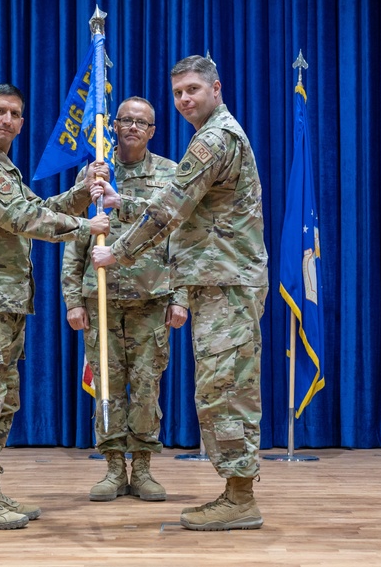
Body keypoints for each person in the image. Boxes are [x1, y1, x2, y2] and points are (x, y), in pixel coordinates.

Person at [90, 56, 269, 531]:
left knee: (225, 393)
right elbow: (186, 202)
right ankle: (235, 492)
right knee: (219, 390)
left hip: (225, 283)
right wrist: (123, 202)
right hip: (219, 281)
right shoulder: (213, 135)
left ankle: (240, 498)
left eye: (193, 89)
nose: (186, 99)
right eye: (178, 93)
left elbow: (172, 208)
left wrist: (117, 253)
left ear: (217, 87)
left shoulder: (213, 139)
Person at [0, 82, 110, 530]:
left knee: (2, 403)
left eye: (15, 114)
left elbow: (36, 206)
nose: (8, 121)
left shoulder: (2, 167)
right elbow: (24, 219)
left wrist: (80, 190)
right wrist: (85, 225)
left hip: (4, 304)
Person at [62, 96, 189, 503]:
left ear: (152, 131)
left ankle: (145, 468)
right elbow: (76, 235)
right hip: (100, 299)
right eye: (126, 120)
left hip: (151, 300)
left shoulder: (170, 174)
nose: (133, 127)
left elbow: (181, 238)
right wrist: (72, 300)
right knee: (108, 388)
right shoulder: (96, 175)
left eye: (142, 122)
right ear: (113, 126)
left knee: (147, 388)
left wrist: (181, 296)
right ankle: (114, 469)